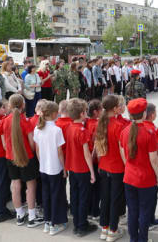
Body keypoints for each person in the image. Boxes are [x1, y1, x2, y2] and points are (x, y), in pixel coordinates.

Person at [119, 98, 158, 242]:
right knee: (144, 211)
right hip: (145, 179)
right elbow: (154, 159)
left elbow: (122, 151)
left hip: (129, 177)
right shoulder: (149, 133)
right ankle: (143, 239)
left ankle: (134, 239)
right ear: (144, 114)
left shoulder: (124, 131)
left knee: (132, 211)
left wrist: (128, 166)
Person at [2, 94, 44, 227]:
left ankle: (19, 215)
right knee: (30, 186)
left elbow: (4, 143)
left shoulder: (5, 120)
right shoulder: (25, 121)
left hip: (10, 157)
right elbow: (32, 143)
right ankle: (32, 217)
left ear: (9, 105)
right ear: (23, 105)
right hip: (27, 157)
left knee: (15, 185)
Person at [34, 101, 68, 235]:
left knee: (46, 195)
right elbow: (60, 152)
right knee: (56, 195)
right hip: (55, 168)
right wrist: (64, 168)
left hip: (43, 167)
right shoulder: (56, 130)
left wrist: (42, 162)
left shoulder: (38, 128)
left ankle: (48, 222)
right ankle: (55, 223)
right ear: (54, 114)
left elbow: (37, 149)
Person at [95, 95, 126, 241]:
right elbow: (122, 149)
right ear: (115, 109)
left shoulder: (100, 123)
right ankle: (113, 230)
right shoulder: (119, 126)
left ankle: (104, 228)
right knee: (115, 199)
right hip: (117, 167)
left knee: (105, 197)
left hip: (104, 166)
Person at [64, 98, 98, 237]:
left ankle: (77, 222)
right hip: (82, 168)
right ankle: (82, 225)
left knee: (75, 195)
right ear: (82, 114)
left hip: (72, 167)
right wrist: (92, 172)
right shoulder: (82, 131)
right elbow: (87, 154)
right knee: (84, 197)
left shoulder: (69, 127)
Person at [143, 103, 158, 231]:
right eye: (155, 112)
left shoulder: (135, 127)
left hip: (138, 168)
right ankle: (149, 220)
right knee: (151, 197)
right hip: (151, 168)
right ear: (151, 115)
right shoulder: (154, 130)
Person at [86, 99, 102, 221]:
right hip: (95, 160)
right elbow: (97, 144)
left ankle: (90, 209)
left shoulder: (86, 122)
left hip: (87, 160)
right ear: (96, 112)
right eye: (101, 109)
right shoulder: (97, 124)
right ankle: (95, 211)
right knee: (97, 188)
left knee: (90, 187)